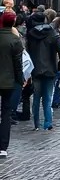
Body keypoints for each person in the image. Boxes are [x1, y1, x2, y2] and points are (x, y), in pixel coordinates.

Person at [26, 8, 60, 130]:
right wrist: (59, 64)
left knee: (36, 98)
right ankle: (47, 123)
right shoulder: (53, 33)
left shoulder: (31, 34)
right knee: (47, 98)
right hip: (50, 68)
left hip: (35, 69)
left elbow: (28, 51)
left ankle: (36, 124)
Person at [0, 11, 23, 157]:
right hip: (8, 81)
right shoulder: (15, 40)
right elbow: (18, 64)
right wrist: (20, 80)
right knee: (6, 112)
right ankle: (2, 146)